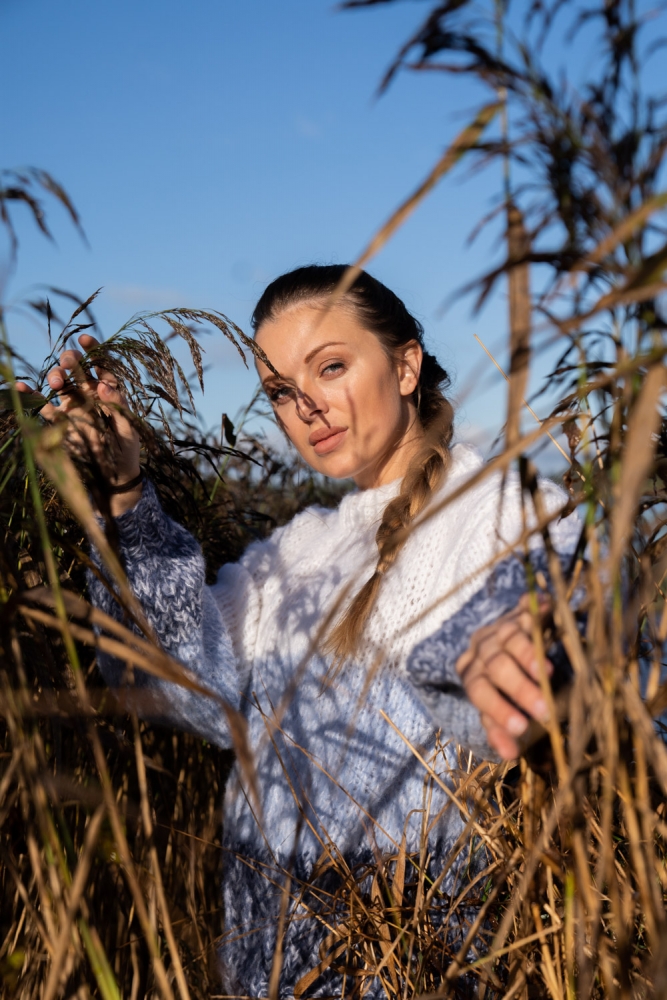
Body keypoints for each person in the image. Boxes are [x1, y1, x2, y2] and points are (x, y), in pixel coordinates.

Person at [17, 265, 580, 996]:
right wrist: (123, 495)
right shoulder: (294, 551)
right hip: (267, 966)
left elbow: (545, 659)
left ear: (405, 366)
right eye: (281, 391)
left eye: (331, 366)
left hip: (412, 968)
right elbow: (177, 686)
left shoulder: (506, 510)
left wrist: (510, 651)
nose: (307, 405)